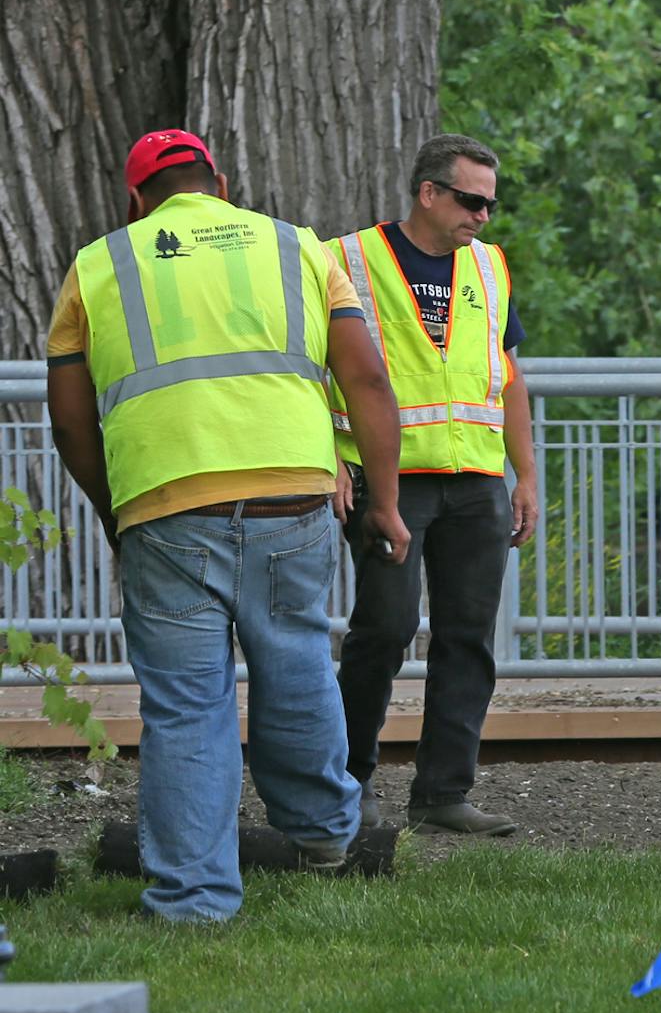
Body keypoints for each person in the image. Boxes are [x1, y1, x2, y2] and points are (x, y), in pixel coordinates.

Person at [44, 128, 411, 923]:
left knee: (185, 705)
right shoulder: (302, 250)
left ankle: (194, 897)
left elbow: (71, 421)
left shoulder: (101, 263)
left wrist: (119, 511)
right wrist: (382, 498)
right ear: (219, 180)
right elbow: (368, 379)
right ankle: (322, 834)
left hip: (166, 506)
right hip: (292, 497)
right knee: (298, 662)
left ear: (137, 197)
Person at [328, 134, 538, 836]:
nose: (483, 216)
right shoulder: (347, 259)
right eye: (471, 200)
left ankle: (444, 791)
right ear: (428, 193)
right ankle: (348, 782)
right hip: (390, 478)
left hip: (477, 479)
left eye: (490, 204)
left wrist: (526, 473)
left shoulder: (492, 266)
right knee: (383, 630)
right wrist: (330, 457)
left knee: (468, 637)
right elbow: (313, 373)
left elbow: (508, 379)